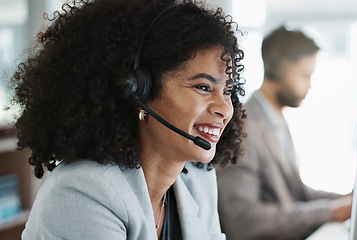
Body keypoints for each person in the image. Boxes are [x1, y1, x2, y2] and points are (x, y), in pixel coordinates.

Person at [11, 0, 245, 239]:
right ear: (139, 90)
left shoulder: (198, 179)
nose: (225, 109)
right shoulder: (84, 190)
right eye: (203, 87)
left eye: (227, 91)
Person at [215, 26, 352, 240]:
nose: (310, 85)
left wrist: (343, 200)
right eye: (305, 75)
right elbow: (244, 220)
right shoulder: (242, 126)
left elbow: (296, 192)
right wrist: (332, 212)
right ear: (277, 68)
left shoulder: (275, 119)